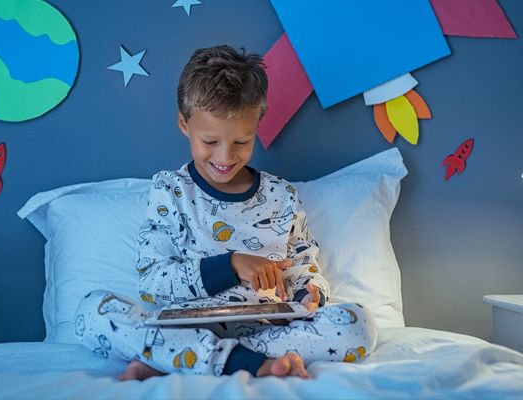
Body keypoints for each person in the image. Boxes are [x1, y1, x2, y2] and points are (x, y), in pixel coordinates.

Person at [75, 45, 377, 380]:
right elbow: (151, 284)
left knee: (356, 323)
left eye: (241, 142)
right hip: (184, 328)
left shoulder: (282, 196)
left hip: (262, 332)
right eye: (210, 141)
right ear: (184, 124)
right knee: (92, 311)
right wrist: (232, 264)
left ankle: (176, 360)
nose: (225, 156)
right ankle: (239, 363)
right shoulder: (170, 191)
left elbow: (304, 268)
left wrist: (309, 295)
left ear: (256, 127)